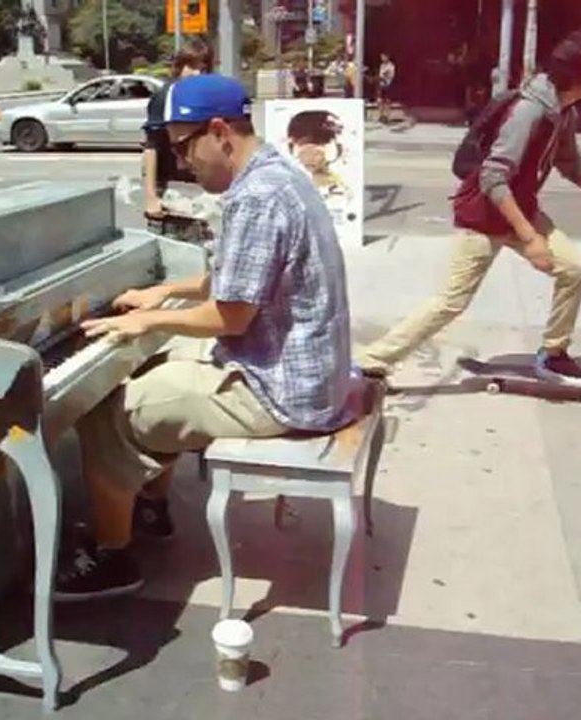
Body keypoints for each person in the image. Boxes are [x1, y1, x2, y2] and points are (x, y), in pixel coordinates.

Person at [55, 74, 363, 601]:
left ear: (219, 132)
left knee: (108, 409)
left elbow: (232, 316)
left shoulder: (257, 197)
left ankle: (112, 556)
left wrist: (144, 322)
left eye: (182, 146)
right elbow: (239, 275)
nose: (180, 164)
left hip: (283, 393)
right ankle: (147, 503)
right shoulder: (278, 174)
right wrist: (166, 293)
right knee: (155, 365)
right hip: (305, 372)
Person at [356, 29, 581, 386]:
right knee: (450, 302)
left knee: (574, 268)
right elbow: (493, 178)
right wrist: (530, 238)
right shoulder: (530, 111)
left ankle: (554, 353)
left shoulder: (562, 113)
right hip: (486, 215)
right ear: (580, 76)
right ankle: (370, 361)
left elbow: (573, 170)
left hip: (521, 210)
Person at [143, 39, 214, 218]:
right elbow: (151, 147)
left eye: (203, 69)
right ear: (180, 66)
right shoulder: (165, 97)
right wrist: (151, 197)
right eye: (192, 66)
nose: (197, 73)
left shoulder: (211, 96)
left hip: (203, 186)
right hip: (171, 186)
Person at [377, 54, 396, 124]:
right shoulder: (382, 65)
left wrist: (385, 75)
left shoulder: (391, 66)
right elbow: (380, 74)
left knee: (388, 101)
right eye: (381, 57)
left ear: (387, 57)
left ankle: (387, 117)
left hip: (388, 85)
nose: (382, 58)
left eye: (384, 57)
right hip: (381, 85)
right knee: (379, 101)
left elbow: (391, 75)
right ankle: (381, 115)